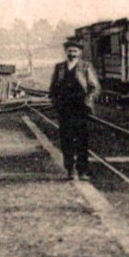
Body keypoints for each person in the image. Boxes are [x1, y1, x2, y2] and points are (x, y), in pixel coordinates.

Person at [49, 40, 100, 180]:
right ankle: (70, 169)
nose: (72, 53)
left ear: (80, 53)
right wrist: (55, 100)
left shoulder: (86, 67)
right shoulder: (59, 67)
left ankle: (82, 170)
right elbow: (53, 86)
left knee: (82, 140)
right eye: (70, 51)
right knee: (66, 139)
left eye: (75, 51)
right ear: (66, 52)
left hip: (80, 108)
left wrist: (89, 98)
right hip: (64, 108)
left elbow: (94, 87)